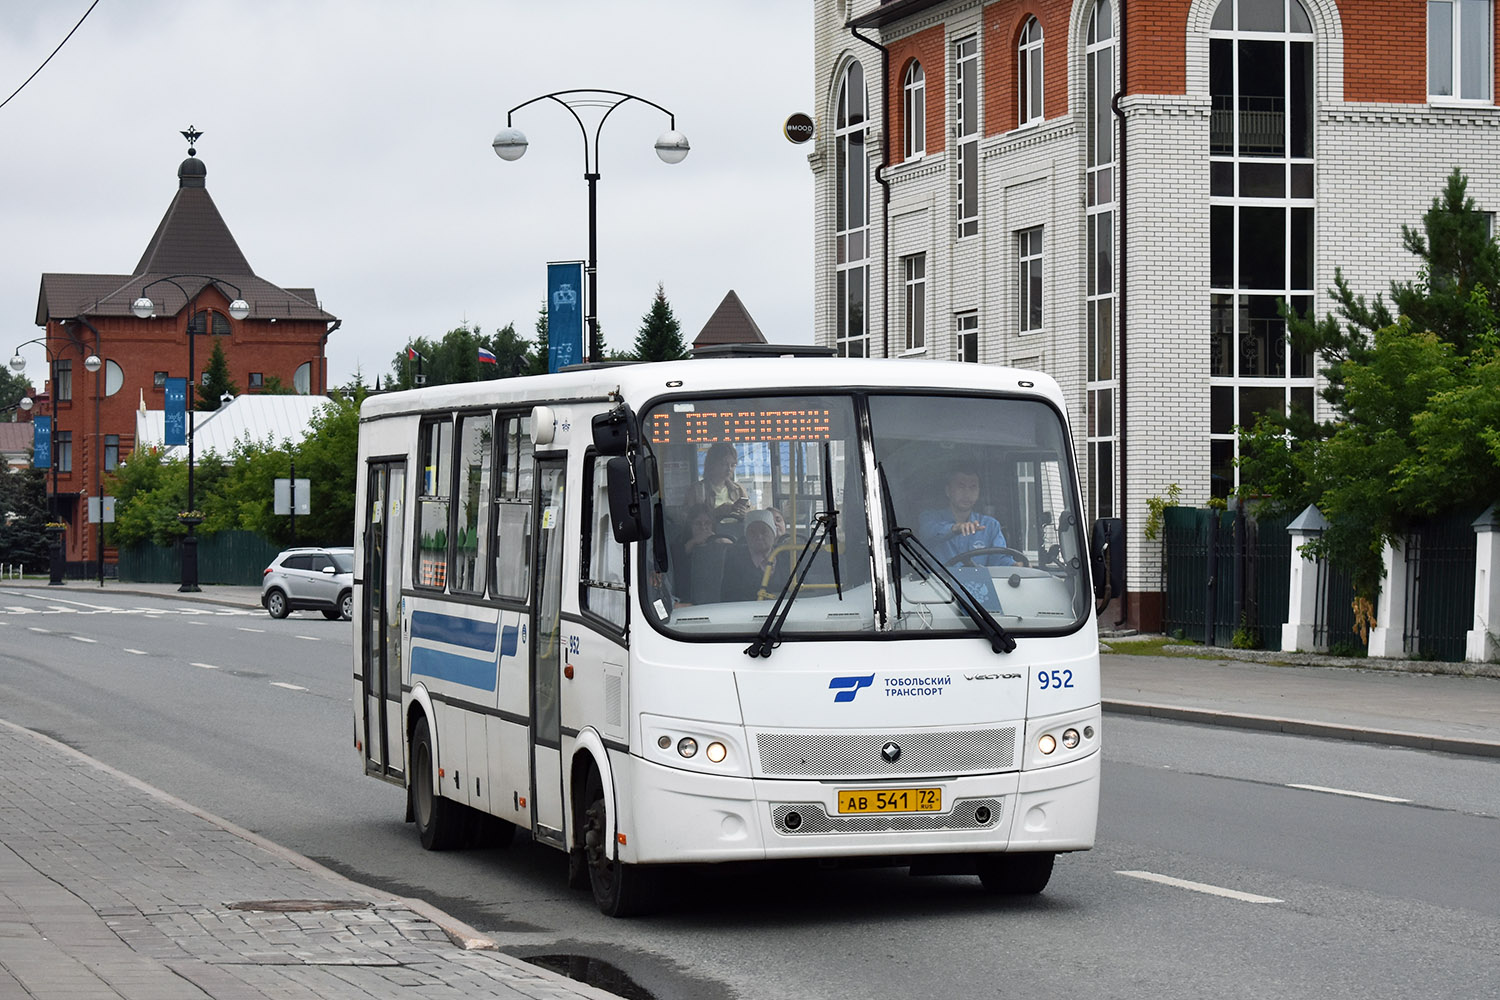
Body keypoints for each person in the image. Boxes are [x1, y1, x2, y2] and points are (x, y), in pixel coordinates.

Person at [918, 466, 1015, 567]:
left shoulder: (990, 525)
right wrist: (955, 529)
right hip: (938, 582)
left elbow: (999, 560)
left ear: (978, 492)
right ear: (948, 491)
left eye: (973, 487)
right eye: (961, 486)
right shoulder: (930, 518)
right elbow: (927, 534)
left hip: (980, 582)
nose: (967, 493)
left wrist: (1015, 566)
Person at [722, 509, 787, 602]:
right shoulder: (734, 563)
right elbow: (729, 598)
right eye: (753, 532)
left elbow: (805, 593)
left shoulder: (788, 557)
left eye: (764, 532)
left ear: (773, 534)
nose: (759, 536)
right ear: (746, 536)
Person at [690, 441, 750, 521]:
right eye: (724, 464)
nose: (729, 469)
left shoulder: (739, 490)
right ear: (712, 464)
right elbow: (689, 520)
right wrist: (717, 512)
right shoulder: (697, 490)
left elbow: (750, 514)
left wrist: (745, 514)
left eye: (732, 465)